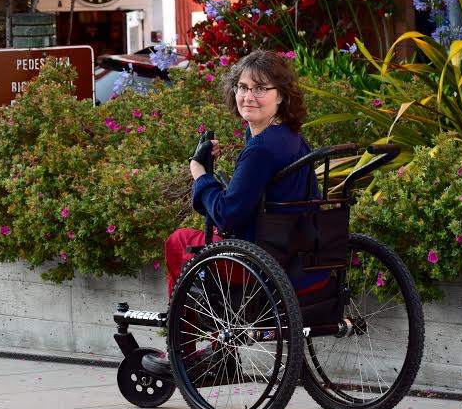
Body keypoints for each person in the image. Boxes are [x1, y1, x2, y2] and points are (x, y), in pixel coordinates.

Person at [141, 49, 329, 377]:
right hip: (299, 255)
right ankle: (218, 349)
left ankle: (184, 354)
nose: (248, 96)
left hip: (261, 263)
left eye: (260, 89)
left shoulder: (262, 149)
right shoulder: (290, 138)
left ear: (281, 96)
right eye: (242, 87)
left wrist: (200, 173)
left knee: (179, 241)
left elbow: (227, 214)